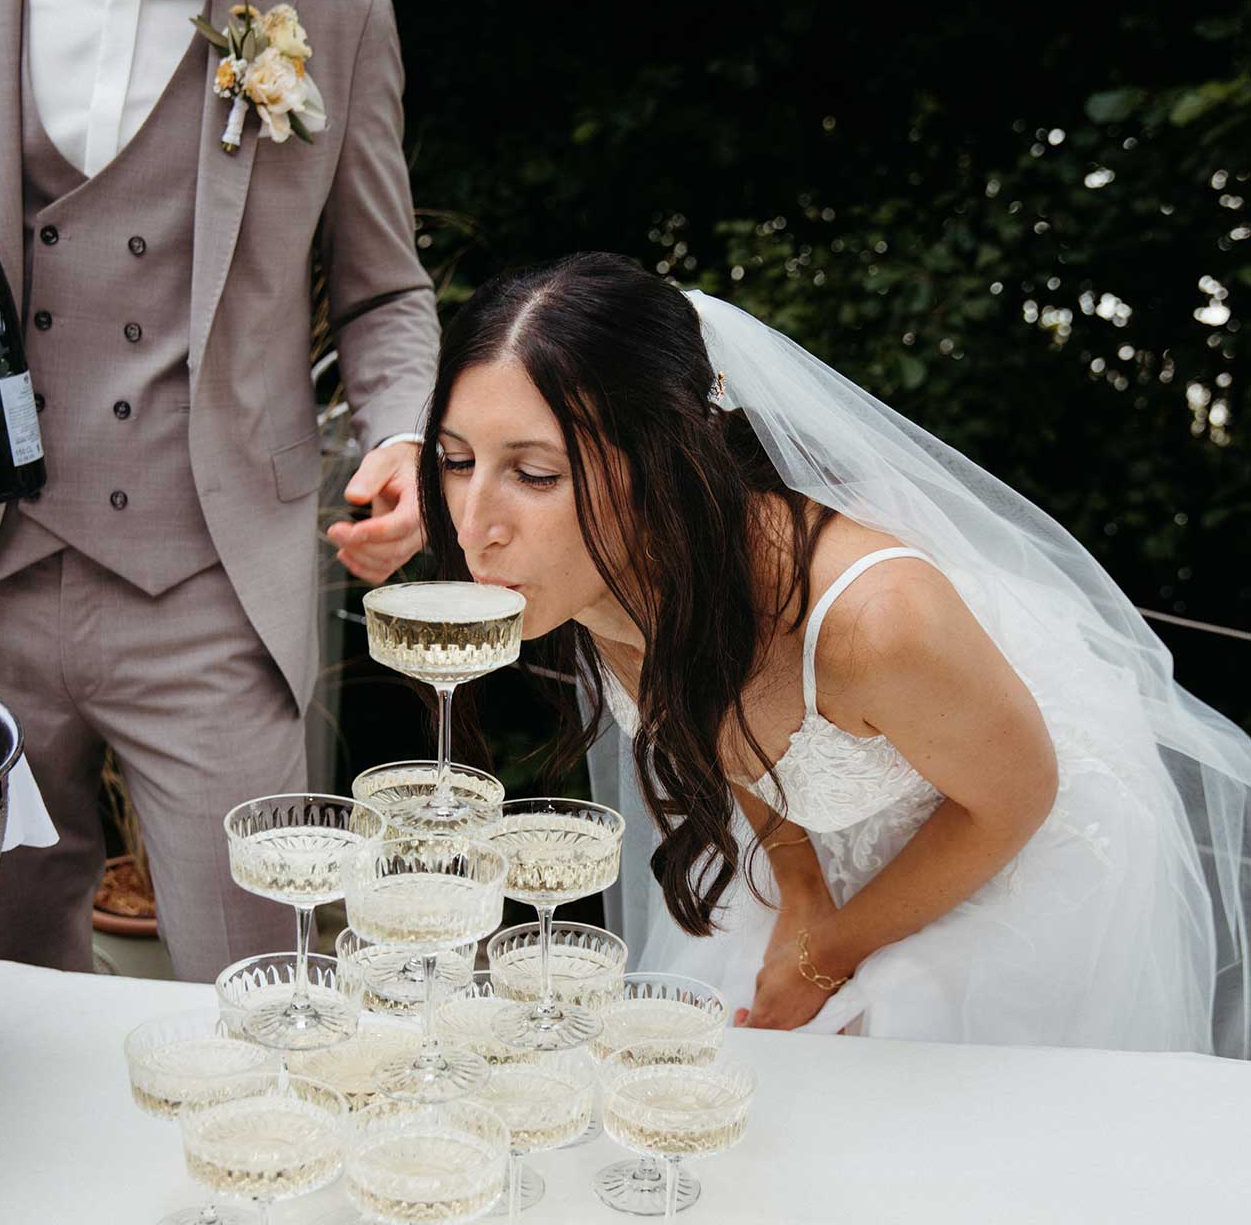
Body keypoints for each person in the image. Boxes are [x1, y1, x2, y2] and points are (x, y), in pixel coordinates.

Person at [416, 251, 1251, 1054]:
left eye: (533, 475)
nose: (474, 526)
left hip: (1010, 839)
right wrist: (803, 894)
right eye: (456, 462)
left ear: (661, 464)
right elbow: (725, 735)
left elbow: (1018, 798)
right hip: (826, 836)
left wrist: (826, 954)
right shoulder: (598, 575)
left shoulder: (876, 620)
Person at [0, 0, 438, 980]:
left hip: (214, 600)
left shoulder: (331, 5)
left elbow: (386, 291)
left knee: (263, 996)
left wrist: (399, 438)